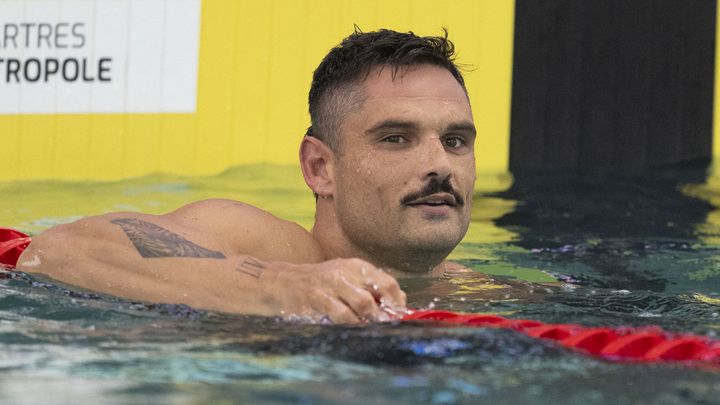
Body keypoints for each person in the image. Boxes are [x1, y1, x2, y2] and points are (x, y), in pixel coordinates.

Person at [16, 28, 477, 323]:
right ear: (321, 168)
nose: (440, 164)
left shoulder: (479, 291)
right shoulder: (265, 247)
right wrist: (281, 286)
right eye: (396, 138)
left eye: (456, 140)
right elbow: (63, 250)